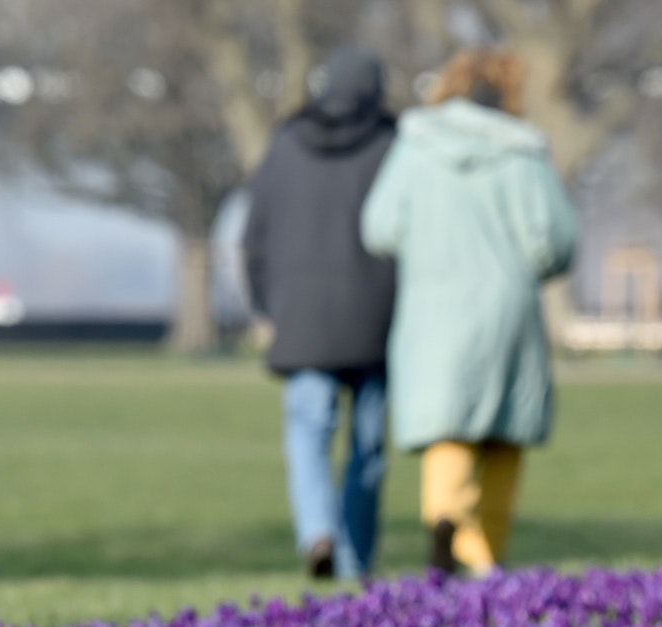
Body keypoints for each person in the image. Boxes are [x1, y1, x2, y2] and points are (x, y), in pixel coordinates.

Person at [362, 49, 579, 579]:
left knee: (448, 426)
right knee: (504, 435)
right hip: (507, 305)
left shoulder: (415, 149)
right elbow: (554, 244)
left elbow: (380, 227)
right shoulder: (524, 154)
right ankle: (488, 560)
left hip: (434, 306)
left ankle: (445, 522)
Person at [240, 45, 399, 581]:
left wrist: (268, 303)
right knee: (368, 446)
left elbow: (253, 236)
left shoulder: (285, 144)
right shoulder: (392, 145)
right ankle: (356, 561)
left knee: (307, 432)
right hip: (377, 319)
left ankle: (318, 532)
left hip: (301, 319)